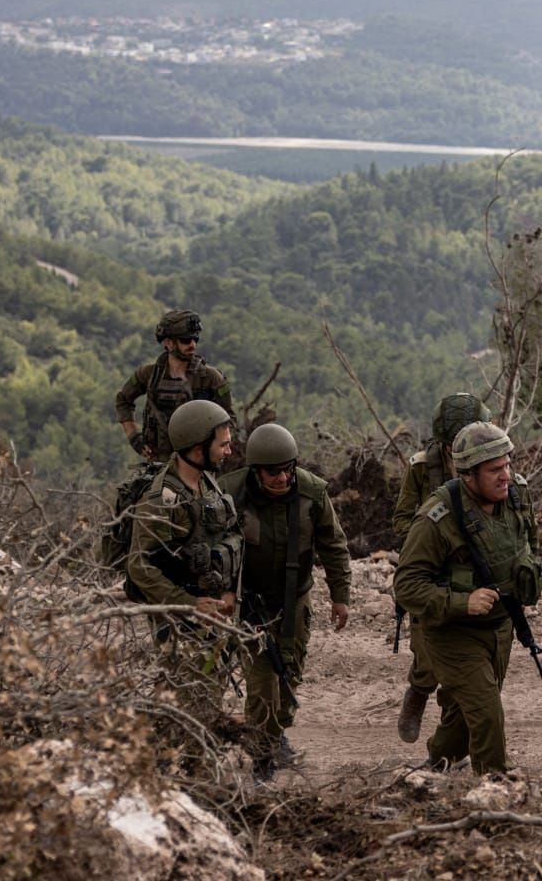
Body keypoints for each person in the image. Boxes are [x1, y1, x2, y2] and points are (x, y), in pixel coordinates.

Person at [392, 421, 542, 774]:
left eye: (507, 465)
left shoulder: (516, 495)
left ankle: (435, 766)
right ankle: (495, 783)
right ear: (468, 476)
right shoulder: (437, 517)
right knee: (487, 712)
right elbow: (407, 585)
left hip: (501, 626)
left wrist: (528, 578)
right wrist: (464, 602)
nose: (505, 475)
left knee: (465, 717)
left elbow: (530, 542)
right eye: (494, 470)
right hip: (452, 632)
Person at [217, 422, 353, 780]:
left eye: (287, 469)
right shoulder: (230, 494)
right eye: (273, 472)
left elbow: (334, 546)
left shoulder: (312, 493)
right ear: (257, 471)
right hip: (250, 602)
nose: (282, 478)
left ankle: (276, 735)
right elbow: (212, 549)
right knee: (262, 684)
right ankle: (262, 756)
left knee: (288, 675)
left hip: (296, 600)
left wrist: (340, 596)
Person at [122, 398, 241, 721]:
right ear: (198, 448)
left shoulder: (206, 482)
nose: (229, 451)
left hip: (211, 615)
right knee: (180, 706)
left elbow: (231, 535)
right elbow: (139, 566)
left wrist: (229, 592)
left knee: (207, 697)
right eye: (222, 445)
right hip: (177, 624)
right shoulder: (161, 501)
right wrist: (188, 603)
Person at [390, 392, 491, 743]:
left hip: (474, 575)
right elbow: (402, 521)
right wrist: (433, 536)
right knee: (427, 653)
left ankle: (451, 737)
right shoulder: (422, 468)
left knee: (466, 661)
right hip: (432, 575)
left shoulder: (491, 464)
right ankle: (418, 691)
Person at [116, 309, 234, 462]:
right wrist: (133, 436)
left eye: (195, 339)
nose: (192, 345)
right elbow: (123, 400)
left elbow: (229, 419)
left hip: (197, 464)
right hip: (158, 462)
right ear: (169, 343)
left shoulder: (211, 378)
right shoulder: (149, 375)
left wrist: (214, 450)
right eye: (186, 340)